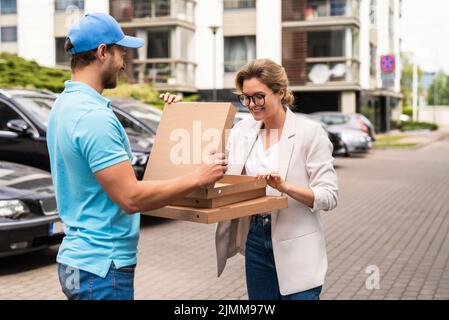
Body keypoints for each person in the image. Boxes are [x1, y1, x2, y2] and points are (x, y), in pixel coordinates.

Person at [47, 13, 227, 300]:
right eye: (121, 52)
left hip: (78, 262)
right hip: (103, 267)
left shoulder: (64, 106)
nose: (123, 62)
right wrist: (199, 177)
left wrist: (176, 122)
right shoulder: (93, 117)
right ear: (102, 52)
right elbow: (131, 197)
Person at [163, 58, 338, 300]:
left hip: (296, 243)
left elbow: (329, 196)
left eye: (258, 96)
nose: (251, 104)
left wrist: (284, 187)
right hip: (255, 238)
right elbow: (204, 159)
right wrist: (180, 112)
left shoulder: (310, 134)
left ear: (281, 92)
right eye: (245, 97)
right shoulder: (242, 131)